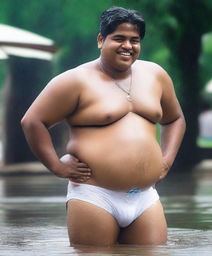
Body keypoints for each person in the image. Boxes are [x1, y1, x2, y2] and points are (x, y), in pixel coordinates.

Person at [21, 6, 185, 246]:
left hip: (144, 197)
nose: (127, 45)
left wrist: (167, 159)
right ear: (101, 40)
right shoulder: (75, 80)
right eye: (119, 38)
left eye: (134, 40)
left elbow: (175, 119)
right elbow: (32, 121)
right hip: (95, 195)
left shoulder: (155, 74)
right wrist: (56, 166)